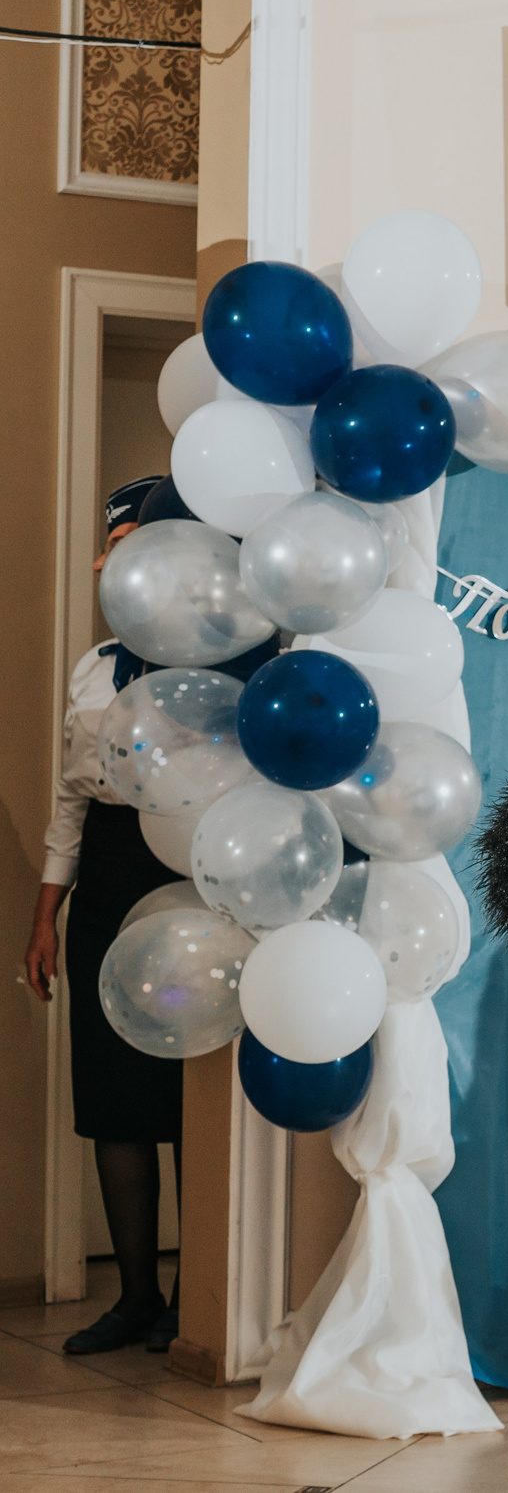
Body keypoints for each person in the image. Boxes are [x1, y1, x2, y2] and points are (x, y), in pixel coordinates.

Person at [22, 478, 185, 1355]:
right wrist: (46, 913)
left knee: (190, 1096)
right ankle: (133, 1298)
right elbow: (70, 799)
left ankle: (202, 1299)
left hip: (189, 873)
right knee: (115, 1097)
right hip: (107, 881)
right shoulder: (94, 663)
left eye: (116, 545)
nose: (98, 561)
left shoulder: (218, 657)